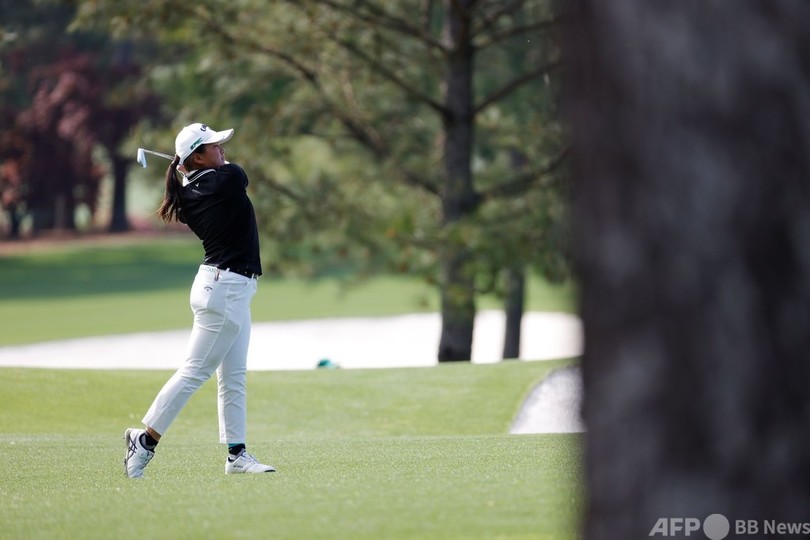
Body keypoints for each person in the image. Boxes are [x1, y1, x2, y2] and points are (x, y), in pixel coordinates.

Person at [124, 122, 275, 478]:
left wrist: (188, 167)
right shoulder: (225, 180)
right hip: (225, 289)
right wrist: (198, 167)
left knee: (233, 375)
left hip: (229, 287)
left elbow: (215, 173)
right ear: (198, 157)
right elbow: (238, 173)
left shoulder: (193, 191)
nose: (222, 149)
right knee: (195, 372)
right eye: (214, 145)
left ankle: (237, 455)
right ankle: (144, 440)